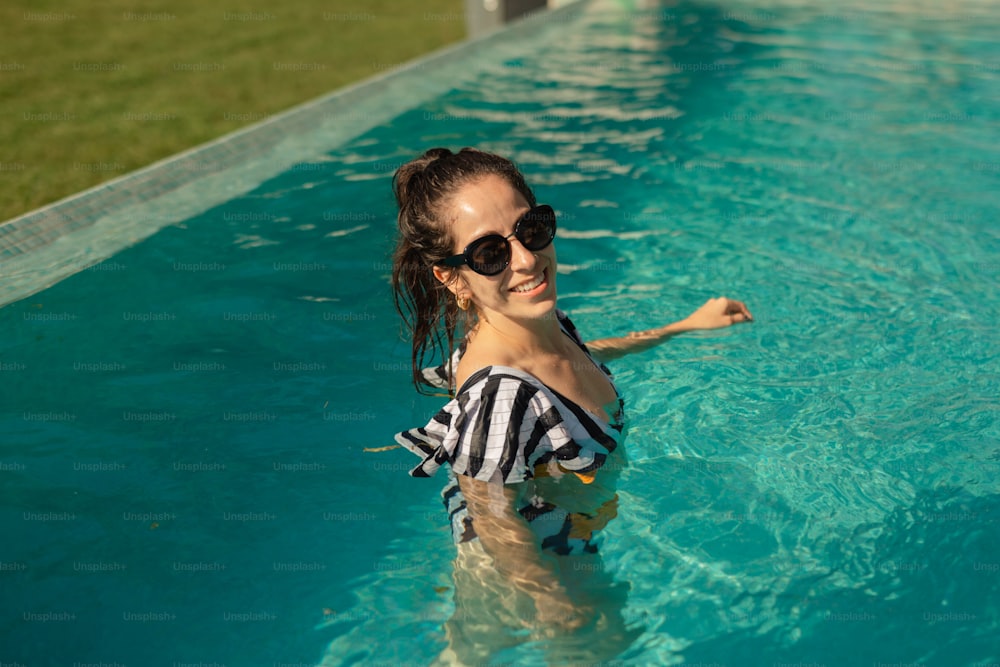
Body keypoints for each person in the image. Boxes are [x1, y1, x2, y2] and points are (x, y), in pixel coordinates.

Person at [389, 147, 752, 662]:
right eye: (489, 254)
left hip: (560, 536)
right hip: (533, 563)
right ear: (450, 277)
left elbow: (584, 356)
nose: (526, 259)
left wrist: (683, 327)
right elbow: (490, 511)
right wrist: (549, 600)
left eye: (531, 229)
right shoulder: (501, 394)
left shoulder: (539, 325)